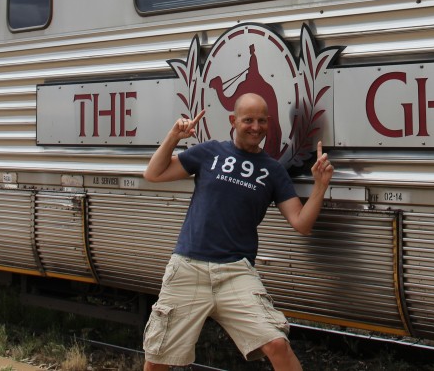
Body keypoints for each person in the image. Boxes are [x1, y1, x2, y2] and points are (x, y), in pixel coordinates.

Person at [141, 92, 334, 371]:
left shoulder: (273, 171)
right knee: (159, 358)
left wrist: (320, 186)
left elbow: (301, 224)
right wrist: (174, 136)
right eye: (248, 120)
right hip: (188, 268)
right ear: (233, 120)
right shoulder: (209, 152)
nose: (256, 127)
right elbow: (153, 174)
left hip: (236, 272)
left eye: (262, 121)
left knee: (277, 344)